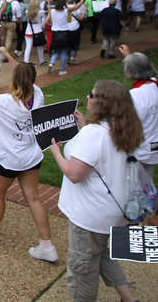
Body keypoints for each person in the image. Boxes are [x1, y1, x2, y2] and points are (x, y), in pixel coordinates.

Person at [49, 80, 143, 302]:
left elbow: (74, 174)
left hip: (91, 215)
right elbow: (103, 155)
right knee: (101, 255)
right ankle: (130, 299)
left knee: (82, 270)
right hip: (115, 211)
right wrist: (84, 127)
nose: (88, 98)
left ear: (101, 103)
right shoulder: (124, 128)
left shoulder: (94, 133)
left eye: (91, 95)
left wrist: (55, 152)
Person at [0, 50, 58, 262]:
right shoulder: (38, 95)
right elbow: (22, 71)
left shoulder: (4, 101)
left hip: (8, 158)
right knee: (34, 198)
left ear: (14, 78)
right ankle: (47, 245)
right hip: (31, 156)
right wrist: (6, 53)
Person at [118, 45, 158, 176]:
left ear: (131, 72)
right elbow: (144, 66)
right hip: (154, 146)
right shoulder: (154, 84)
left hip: (140, 150)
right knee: (148, 184)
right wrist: (129, 56)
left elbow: (126, 125)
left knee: (135, 189)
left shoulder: (135, 96)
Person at [45, 0, 86, 76]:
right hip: (64, 33)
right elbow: (80, 3)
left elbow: (49, 7)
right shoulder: (67, 11)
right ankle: (62, 70)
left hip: (55, 34)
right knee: (64, 52)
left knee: (56, 51)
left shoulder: (52, 11)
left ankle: (52, 63)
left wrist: (49, 1)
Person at [24, 0, 46, 65]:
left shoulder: (27, 11)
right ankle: (42, 61)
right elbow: (46, 11)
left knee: (28, 47)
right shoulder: (40, 12)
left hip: (28, 31)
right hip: (38, 30)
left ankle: (26, 61)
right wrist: (44, 2)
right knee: (40, 47)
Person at [66, 0, 86, 65]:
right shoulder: (75, 8)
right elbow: (81, 18)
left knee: (68, 44)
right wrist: (84, 10)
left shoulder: (63, 8)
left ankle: (67, 57)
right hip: (74, 28)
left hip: (66, 28)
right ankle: (72, 58)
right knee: (75, 44)